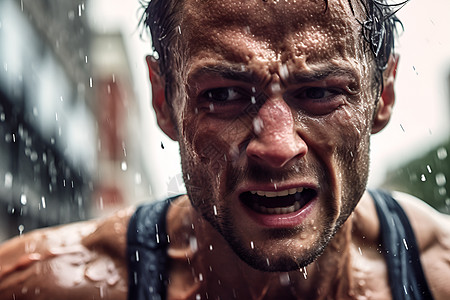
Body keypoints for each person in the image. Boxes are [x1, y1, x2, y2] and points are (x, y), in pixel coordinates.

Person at [1, 0, 450, 299]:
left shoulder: (438, 273)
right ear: (164, 101)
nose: (277, 147)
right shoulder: (46, 284)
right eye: (224, 94)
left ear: (383, 94)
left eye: (319, 92)